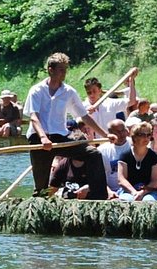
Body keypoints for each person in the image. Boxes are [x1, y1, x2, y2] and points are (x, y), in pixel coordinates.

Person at [23, 53, 107, 192]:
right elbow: (34, 117)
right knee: (41, 186)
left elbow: (84, 116)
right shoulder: (36, 91)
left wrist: (105, 135)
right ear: (51, 70)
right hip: (38, 139)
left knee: (93, 154)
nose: (64, 73)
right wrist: (43, 138)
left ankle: (97, 194)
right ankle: (39, 204)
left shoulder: (69, 92)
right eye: (61, 69)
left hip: (60, 137)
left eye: (65, 69)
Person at [48, 132, 110, 199]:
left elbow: (101, 183)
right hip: (69, 202)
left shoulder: (94, 161)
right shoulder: (63, 164)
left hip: (90, 202)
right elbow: (52, 188)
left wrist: (89, 187)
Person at [116, 122, 157, 203]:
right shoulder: (125, 155)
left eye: (148, 135)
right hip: (128, 191)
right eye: (142, 134)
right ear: (134, 137)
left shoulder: (154, 156)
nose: (146, 137)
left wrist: (142, 193)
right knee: (126, 200)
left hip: (149, 191)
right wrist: (134, 193)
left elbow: (155, 180)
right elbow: (121, 179)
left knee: (149, 201)